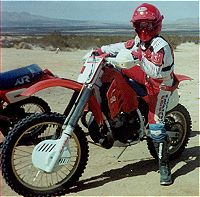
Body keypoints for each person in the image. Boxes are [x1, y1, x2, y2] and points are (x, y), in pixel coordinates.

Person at [94, 3, 174, 185]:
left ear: (156, 24)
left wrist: (138, 57)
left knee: (156, 126)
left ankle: (164, 166)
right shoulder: (139, 41)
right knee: (112, 72)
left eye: (148, 24)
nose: (144, 28)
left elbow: (155, 71)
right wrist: (101, 50)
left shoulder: (161, 46)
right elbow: (123, 46)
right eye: (140, 24)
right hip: (144, 75)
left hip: (160, 85)